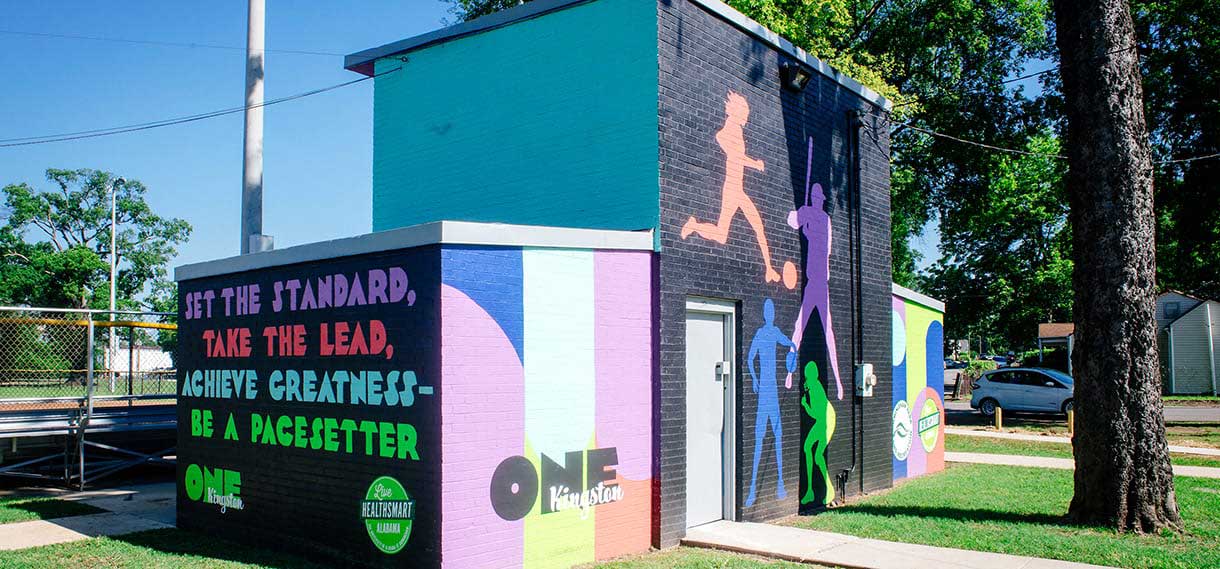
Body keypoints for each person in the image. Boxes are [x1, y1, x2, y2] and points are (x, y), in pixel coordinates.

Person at [681, 91, 781, 284]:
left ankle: (769, 269)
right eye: (745, 111)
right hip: (731, 189)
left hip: (739, 189)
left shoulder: (737, 131)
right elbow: (735, 156)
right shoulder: (729, 131)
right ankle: (694, 225)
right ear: (736, 111)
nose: (747, 116)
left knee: (757, 226)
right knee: (721, 236)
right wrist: (755, 163)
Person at [786, 138, 841, 398]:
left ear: (821, 198)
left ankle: (839, 383)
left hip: (821, 283)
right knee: (799, 325)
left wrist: (805, 224)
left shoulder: (823, 218)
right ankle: (788, 373)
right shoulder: (811, 213)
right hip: (812, 282)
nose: (817, 198)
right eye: (814, 196)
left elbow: (824, 248)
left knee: (827, 330)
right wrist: (802, 219)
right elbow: (791, 222)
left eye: (819, 196)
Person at [745, 299, 795, 506]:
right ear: (765, 314)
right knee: (759, 437)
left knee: (778, 434)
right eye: (768, 310)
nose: (770, 313)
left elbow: (790, 343)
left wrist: (791, 361)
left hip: (772, 390)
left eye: (772, 310)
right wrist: (755, 380)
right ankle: (752, 489)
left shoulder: (774, 332)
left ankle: (780, 484)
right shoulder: (761, 333)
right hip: (765, 390)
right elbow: (749, 358)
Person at [800, 361, 836, 506]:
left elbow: (815, 414)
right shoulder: (812, 387)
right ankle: (810, 491)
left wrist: (805, 404)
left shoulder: (816, 388)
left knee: (818, 455)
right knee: (807, 448)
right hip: (822, 420)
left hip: (827, 420)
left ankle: (829, 491)